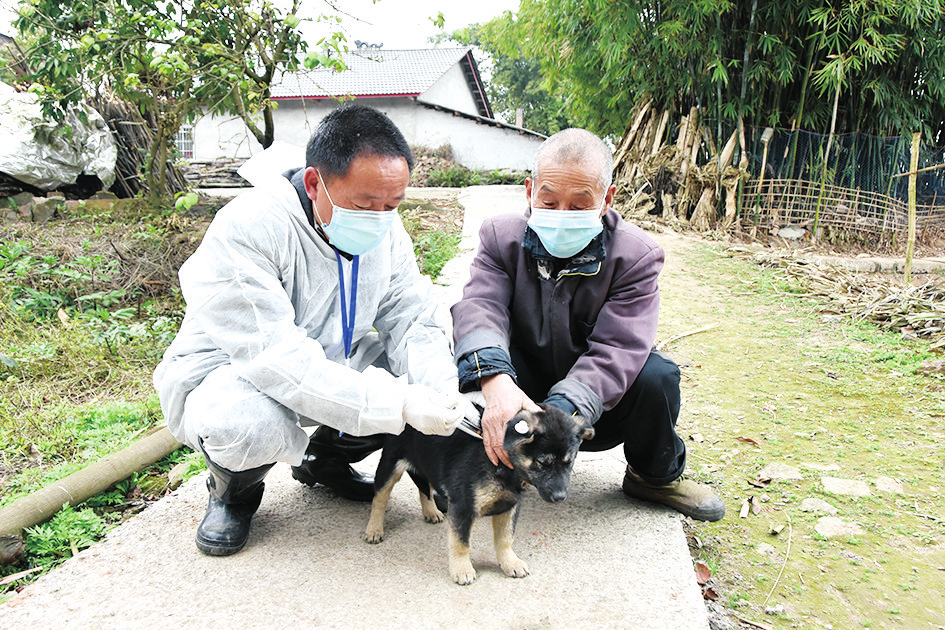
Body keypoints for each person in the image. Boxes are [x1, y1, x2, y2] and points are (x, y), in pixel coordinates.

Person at [154, 104, 473, 556]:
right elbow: (277, 359)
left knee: (425, 368)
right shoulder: (249, 228)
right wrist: (397, 401)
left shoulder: (385, 227)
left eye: (393, 204)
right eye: (365, 204)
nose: (380, 218)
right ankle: (234, 493)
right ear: (313, 183)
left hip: (335, 356)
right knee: (244, 425)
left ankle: (324, 460)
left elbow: (410, 316)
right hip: (239, 373)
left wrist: (440, 393)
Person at [450, 128, 725, 522]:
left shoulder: (636, 256)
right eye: (548, 200)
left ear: (606, 200)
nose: (561, 215)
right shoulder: (500, 238)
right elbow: (481, 306)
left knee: (657, 376)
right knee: (470, 356)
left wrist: (557, 419)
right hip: (518, 393)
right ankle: (479, 467)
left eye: (579, 206)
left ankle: (654, 477)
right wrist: (495, 382)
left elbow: (618, 349)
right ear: (529, 191)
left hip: (592, 413)